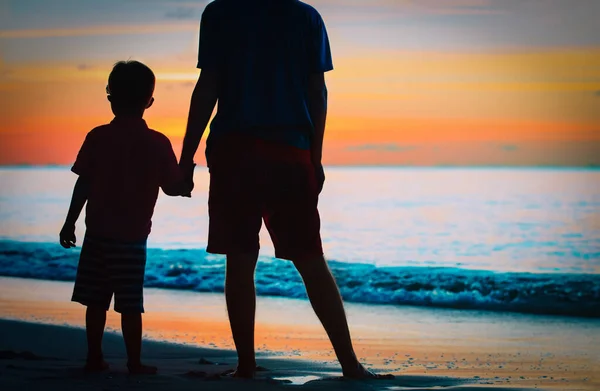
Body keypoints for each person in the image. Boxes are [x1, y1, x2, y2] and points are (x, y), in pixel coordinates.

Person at [178, 0, 391, 379]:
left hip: (235, 150)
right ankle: (350, 365)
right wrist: (315, 156)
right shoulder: (305, 17)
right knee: (310, 258)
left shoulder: (221, 12)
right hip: (289, 151)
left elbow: (207, 87)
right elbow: (317, 92)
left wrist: (185, 159)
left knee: (240, 259)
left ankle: (245, 365)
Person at [59, 60, 191, 375]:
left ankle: (94, 358)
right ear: (149, 101)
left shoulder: (98, 136)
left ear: (110, 97)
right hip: (132, 239)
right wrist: (187, 174)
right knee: (130, 304)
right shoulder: (157, 143)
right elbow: (174, 188)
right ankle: (133, 362)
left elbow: (84, 183)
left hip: (97, 235)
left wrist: (69, 221)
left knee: (96, 301)